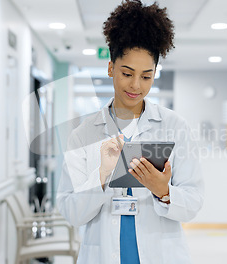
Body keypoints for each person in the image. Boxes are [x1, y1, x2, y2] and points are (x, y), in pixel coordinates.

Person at [56, 1, 204, 263]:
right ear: (111, 67)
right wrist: (101, 176)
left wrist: (163, 190)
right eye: (127, 73)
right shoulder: (84, 134)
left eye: (146, 76)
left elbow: (193, 202)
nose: (136, 85)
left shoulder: (175, 127)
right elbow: (70, 212)